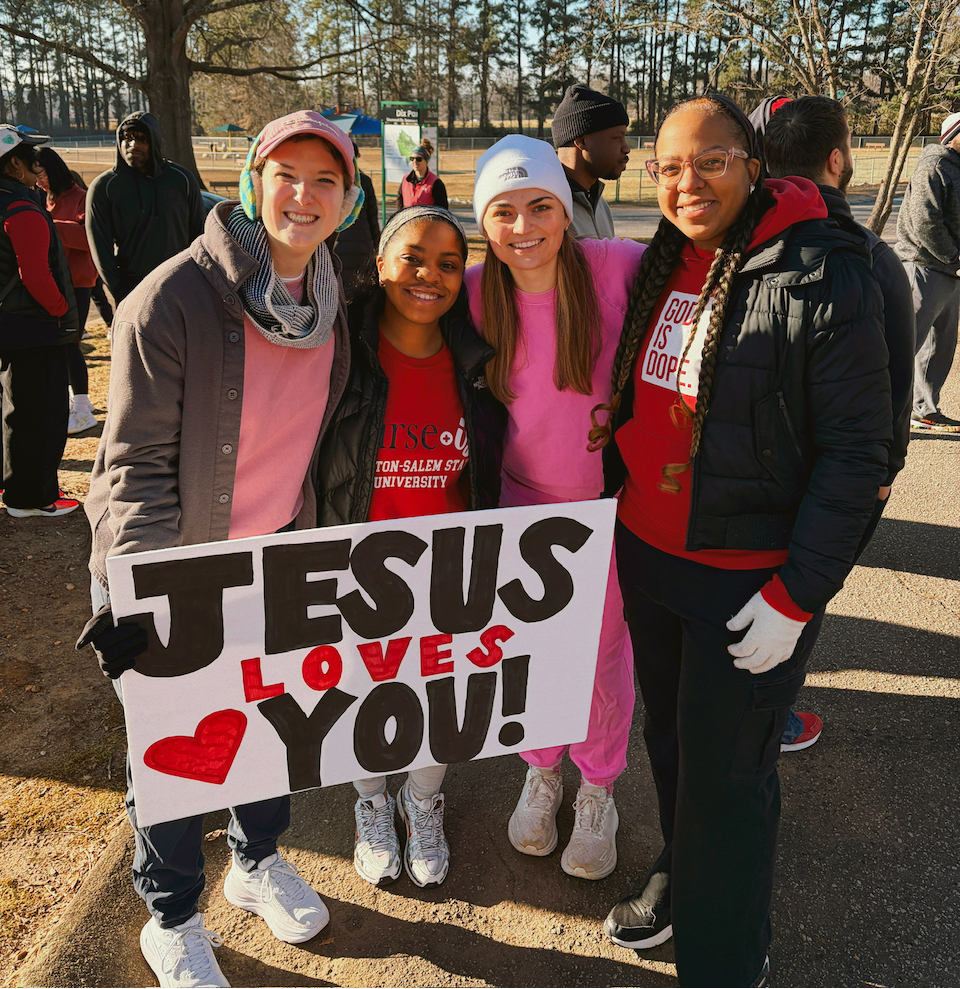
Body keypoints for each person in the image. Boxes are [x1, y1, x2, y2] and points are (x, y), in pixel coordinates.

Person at [591, 94, 891, 987]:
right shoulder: (664, 263)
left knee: (732, 776)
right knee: (675, 745)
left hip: (747, 583)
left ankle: (725, 956)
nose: (689, 182)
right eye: (671, 166)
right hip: (650, 560)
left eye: (711, 161)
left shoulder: (824, 269)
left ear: (754, 164)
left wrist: (800, 594)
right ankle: (686, 879)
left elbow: (857, 453)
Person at [76, 110, 364, 989]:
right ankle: (171, 913)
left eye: (326, 180)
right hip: (177, 564)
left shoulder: (330, 292)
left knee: (268, 728)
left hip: (275, 557)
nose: (304, 196)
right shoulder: (172, 298)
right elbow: (130, 465)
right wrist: (140, 593)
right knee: (174, 750)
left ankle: (255, 859)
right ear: (251, 181)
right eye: (287, 174)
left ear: (349, 199)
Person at [465, 135, 645, 880]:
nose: (524, 226)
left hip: (604, 505)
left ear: (567, 210)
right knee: (531, 650)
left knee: (601, 655)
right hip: (519, 506)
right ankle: (542, 770)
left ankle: (599, 785)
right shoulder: (477, 290)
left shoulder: (618, 267)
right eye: (503, 212)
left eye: (540, 205)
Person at [318, 205, 504, 889]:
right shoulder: (342, 353)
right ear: (381, 265)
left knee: (443, 697)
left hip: (448, 568)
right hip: (359, 565)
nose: (430, 275)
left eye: (449, 263)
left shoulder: (476, 358)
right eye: (414, 258)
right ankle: (370, 801)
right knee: (362, 691)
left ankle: (421, 800)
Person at [756, 95, 915, 752]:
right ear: (838, 159)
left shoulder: (738, 244)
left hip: (750, 476)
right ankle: (772, 716)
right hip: (836, 478)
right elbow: (894, 390)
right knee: (803, 589)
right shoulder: (873, 260)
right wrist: (884, 474)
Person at [0, 125, 79, 519]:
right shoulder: (22, 209)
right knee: (42, 414)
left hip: (10, 325)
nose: (37, 168)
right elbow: (35, 273)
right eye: (32, 160)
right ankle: (32, 497)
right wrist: (61, 308)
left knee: (14, 408)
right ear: (13, 163)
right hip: (33, 328)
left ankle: (16, 488)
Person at [86, 111, 205, 304]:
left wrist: (195, 282)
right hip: (132, 292)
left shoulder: (182, 180)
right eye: (127, 138)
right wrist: (122, 293)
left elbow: (199, 235)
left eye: (141, 138)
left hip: (181, 287)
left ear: (154, 142)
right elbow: (100, 250)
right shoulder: (105, 187)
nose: (133, 145)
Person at [895, 111, 960, 431]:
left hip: (948, 271)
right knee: (906, 345)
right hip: (923, 267)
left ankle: (924, 409)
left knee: (940, 348)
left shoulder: (956, 168)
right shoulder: (934, 164)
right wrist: (954, 256)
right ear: (954, 135)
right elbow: (925, 222)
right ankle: (883, 414)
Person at [34, 147, 99, 434]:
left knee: (70, 343)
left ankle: (84, 409)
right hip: (54, 282)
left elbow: (89, 241)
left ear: (54, 170)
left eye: (42, 174)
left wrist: (48, 226)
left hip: (78, 283)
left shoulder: (81, 198)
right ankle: (74, 401)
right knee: (56, 344)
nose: (39, 181)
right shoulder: (43, 199)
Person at [552, 83, 630, 239]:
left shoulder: (601, 207)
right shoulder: (547, 210)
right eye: (617, 138)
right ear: (582, 142)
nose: (626, 148)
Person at [334, 140, 380, 301]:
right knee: (361, 295)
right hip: (363, 247)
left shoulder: (332, 181)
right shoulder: (365, 181)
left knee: (340, 294)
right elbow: (373, 217)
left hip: (337, 247)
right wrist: (376, 246)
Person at [395, 138, 448, 211]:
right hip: (408, 220)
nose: (415, 161)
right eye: (412, 158)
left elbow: (443, 210)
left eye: (418, 159)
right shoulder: (406, 179)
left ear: (426, 161)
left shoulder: (435, 183)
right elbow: (399, 199)